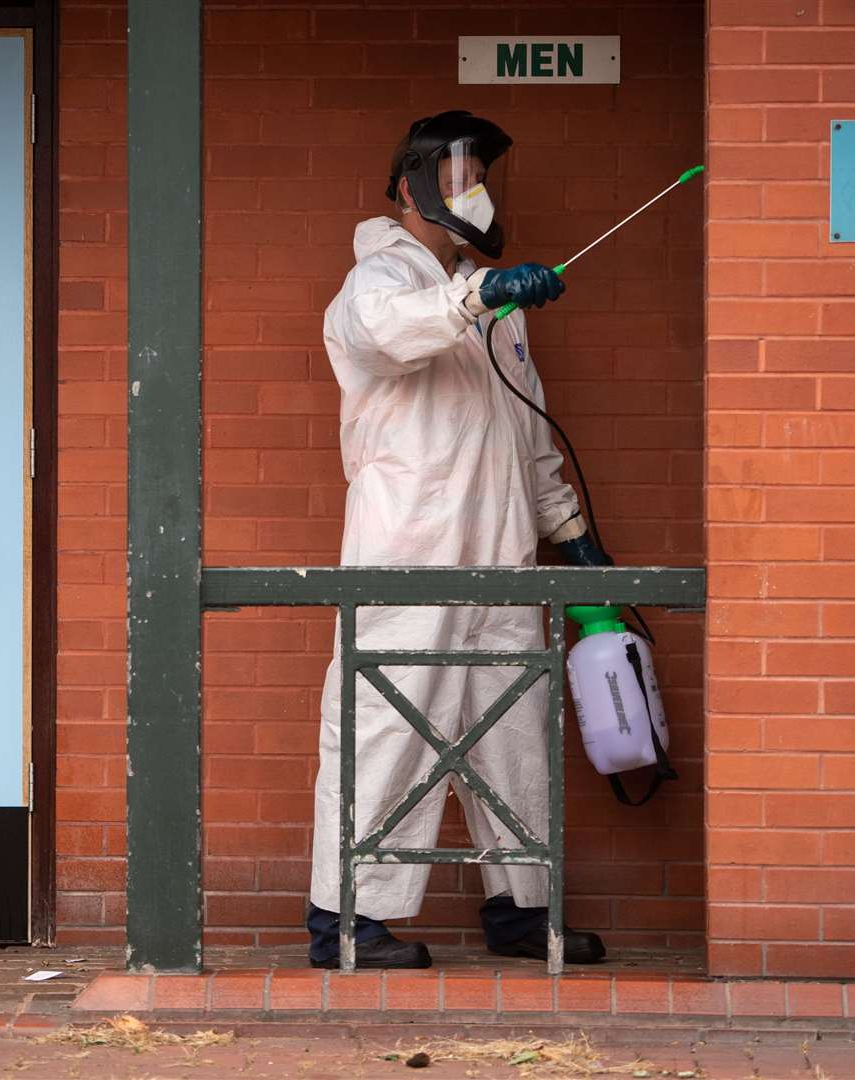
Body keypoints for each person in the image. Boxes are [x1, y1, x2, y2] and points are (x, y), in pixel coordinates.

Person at [306, 111, 612, 970]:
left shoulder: (493, 306)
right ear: (412, 182)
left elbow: (529, 435)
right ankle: (345, 924)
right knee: (384, 726)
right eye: (455, 172)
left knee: (511, 734)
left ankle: (523, 909)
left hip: (501, 551)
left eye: (479, 173)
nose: (470, 189)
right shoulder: (374, 281)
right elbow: (390, 333)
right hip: (410, 547)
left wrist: (572, 534)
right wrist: (483, 293)